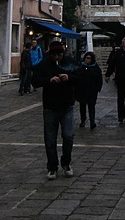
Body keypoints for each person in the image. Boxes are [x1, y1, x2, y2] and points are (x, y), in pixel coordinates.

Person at [32, 41, 82, 179]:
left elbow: (80, 78)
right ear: (51, 54)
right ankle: (52, 167)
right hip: (50, 106)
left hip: (67, 105)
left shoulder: (70, 62)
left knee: (68, 136)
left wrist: (69, 77)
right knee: (50, 139)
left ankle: (66, 163)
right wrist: (49, 80)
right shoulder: (44, 64)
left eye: (60, 54)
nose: (57, 57)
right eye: (55, 55)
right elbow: (35, 81)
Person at [77, 51, 103, 129]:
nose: (86, 60)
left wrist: (98, 88)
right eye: (86, 58)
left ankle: (92, 122)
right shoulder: (81, 67)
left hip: (92, 90)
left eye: (88, 58)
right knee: (82, 106)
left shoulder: (95, 68)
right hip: (82, 90)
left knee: (91, 106)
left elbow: (99, 78)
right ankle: (83, 120)